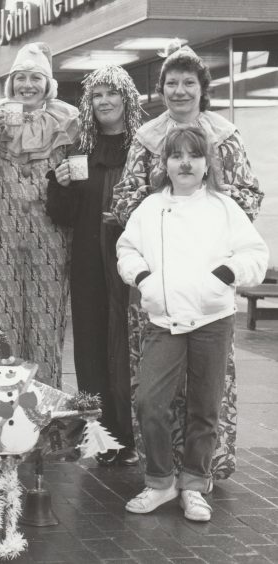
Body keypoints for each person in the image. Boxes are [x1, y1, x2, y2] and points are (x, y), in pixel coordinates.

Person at [111, 42, 265, 479]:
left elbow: (249, 195)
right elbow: (125, 199)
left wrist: (209, 213)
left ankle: (203, 470)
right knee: (155, 389)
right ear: (160, 90)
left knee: (207, 386)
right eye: (171, 83)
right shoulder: (146, 139)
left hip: (208, 286)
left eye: (188, 83)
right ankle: (161, 471)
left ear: (203, 89)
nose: (180, 91)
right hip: (160, 282)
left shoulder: (225, 136)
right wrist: (162, 215)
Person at [47, 66, 142, 465]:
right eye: (97, 95)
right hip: (88, 259)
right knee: (90, 345)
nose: (104, 101)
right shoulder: (78, 146)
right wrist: (60, 184)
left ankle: (135, 435)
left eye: (112, 94)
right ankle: (101, 438)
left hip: (134, 259)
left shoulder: (145, 145)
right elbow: (63, 214)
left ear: (127, 100)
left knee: (130, 343)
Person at [0, 42, 78, 388]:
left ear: (47, 84)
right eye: (21, 78)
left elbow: (80, 175)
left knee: (46, 320)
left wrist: (68, 177)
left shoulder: (67, 120)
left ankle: (44, 405)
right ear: (11, 83)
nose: (27, 85)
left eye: (35, 78)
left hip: (50, 237)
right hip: (1, 236)